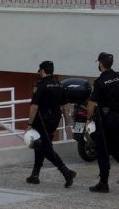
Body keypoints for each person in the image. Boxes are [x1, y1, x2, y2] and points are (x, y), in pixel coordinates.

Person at [86, 52, 119, 193]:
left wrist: (88, 119)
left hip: (106, 121)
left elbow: (91, 104)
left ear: (101, 64)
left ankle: (104, 183)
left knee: (103, 150)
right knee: (115, 148)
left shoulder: (99, 82)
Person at [25, 60, 77, 188]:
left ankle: (66, 172)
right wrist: (67, 124)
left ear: (42, 71)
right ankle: (35, 175)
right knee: (40, 144)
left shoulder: (40, 85)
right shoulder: (59, 85)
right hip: (54, 120)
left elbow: (34, 107)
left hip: (41, 120)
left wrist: (29, 124)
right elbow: (65, 107)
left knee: (45, 148)